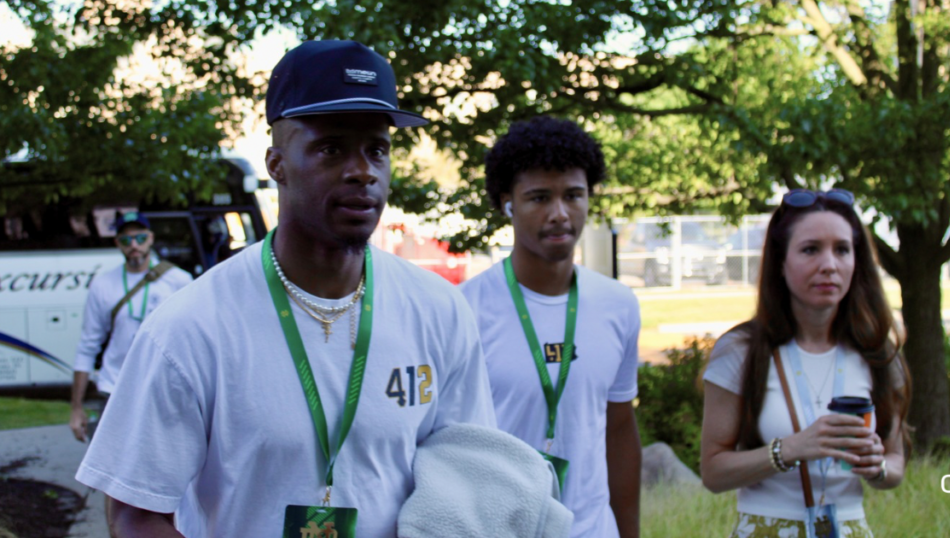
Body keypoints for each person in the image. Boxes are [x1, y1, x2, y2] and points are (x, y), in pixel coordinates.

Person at [75, 40, 496, 538]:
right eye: (331, 147)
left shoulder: (439, 310)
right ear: (276, 163)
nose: (363, 171)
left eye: (377, 150)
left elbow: (470, 475)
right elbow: (135, 511)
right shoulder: (190, 327)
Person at [460, 116, 642, 538]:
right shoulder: (463, 310)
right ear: (507, 203)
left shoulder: (618, 305)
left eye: (573, 196)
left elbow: (618, 430)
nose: (560, 214)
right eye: (539, 198)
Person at [700, 189, 911, 537]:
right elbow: (712, 473)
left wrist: (877, 468)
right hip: (765, 528)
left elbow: (896, 464)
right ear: (781, 264)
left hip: (849, 528)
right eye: (811, 249)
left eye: (842, 249)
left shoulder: (877, 352)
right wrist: (791, 449)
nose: (829, 264)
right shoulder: (740, 351)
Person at [69, 211, 192, 442]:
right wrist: (76, 408)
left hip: (163, 393)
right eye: (126, 240)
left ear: (151, 238)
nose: (134, 245)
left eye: (140, 238)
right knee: (109, 473)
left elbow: (194, 341)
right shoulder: (103, 284)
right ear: (117, 244)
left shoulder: (179, 281)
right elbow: (87, 347)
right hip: (114, 390)